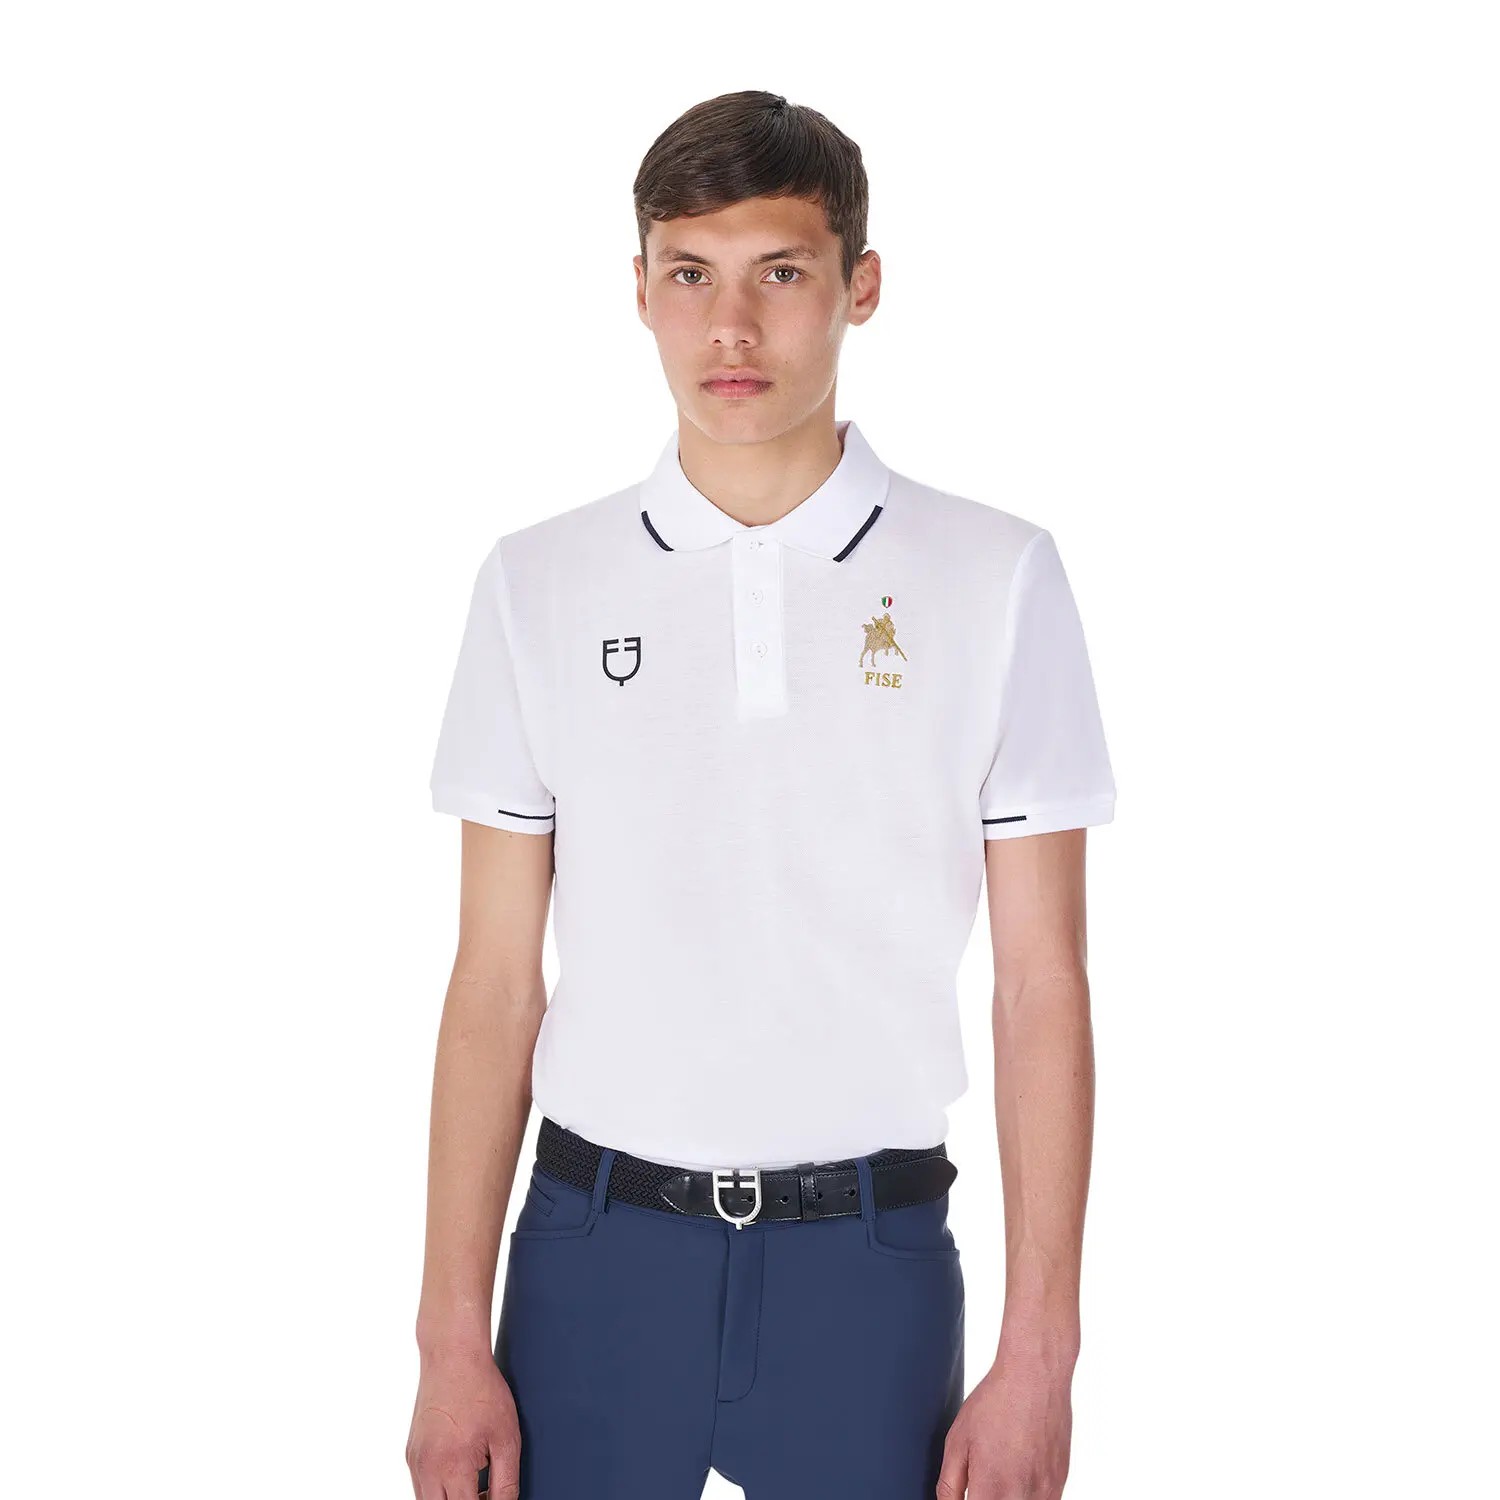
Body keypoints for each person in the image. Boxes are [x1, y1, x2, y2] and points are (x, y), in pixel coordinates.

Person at [406, 89, 1114, 1500]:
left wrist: (1043, 1355)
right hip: (594, 1255)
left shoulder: (995, 576)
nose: (730, 326)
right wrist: (446, 1340)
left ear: (861, 285)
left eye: (780, 273)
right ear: (640, 291)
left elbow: (1043, 982)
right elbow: (493, 980)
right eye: (691, 274)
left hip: (870, 1260)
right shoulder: (537, 583)